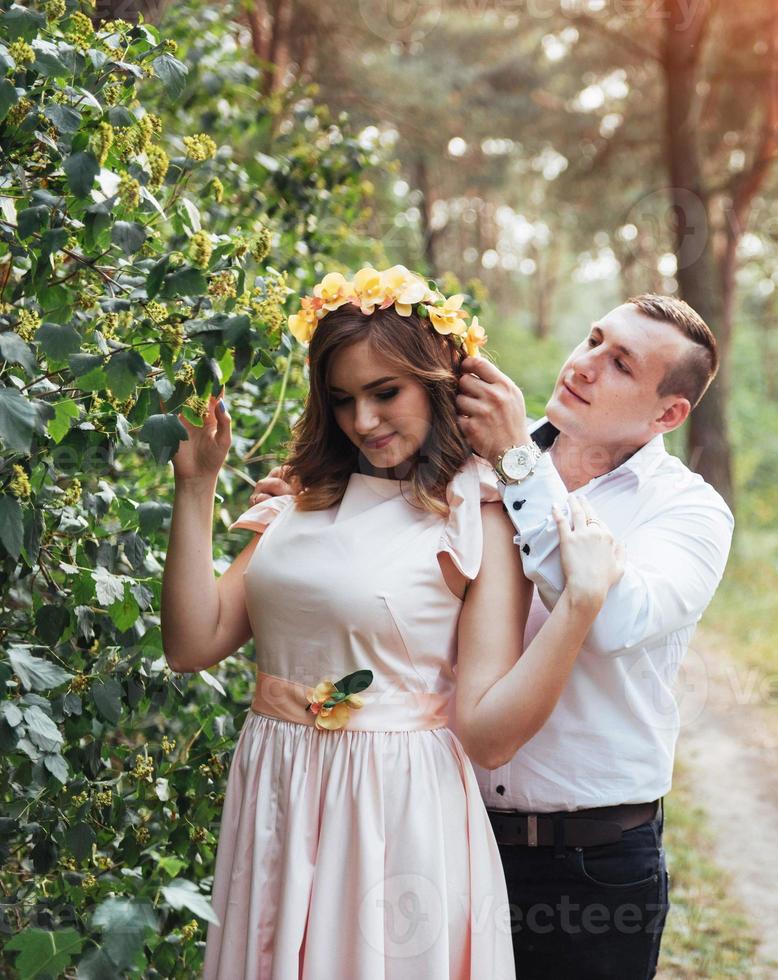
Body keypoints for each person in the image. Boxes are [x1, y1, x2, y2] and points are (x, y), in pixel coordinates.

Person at [252, 293, 735, 979]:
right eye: (594, 338)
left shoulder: (687, 512)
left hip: (590, 863)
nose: (586, 364)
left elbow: (614, 619)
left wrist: (517, 462)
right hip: (439, 832)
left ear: (669, 414)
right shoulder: (464, 466)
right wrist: (297, 523)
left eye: (620, 363)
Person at [161, 265, 623, 978]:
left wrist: (580, 606)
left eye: (386, 394)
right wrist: (195, 487)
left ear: (440, 381)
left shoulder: (478, 513)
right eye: (342, 399)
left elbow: (491, 737)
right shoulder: (301, 499)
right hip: (276, 794)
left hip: (395, 809)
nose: (363, 421)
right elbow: (193, 643)